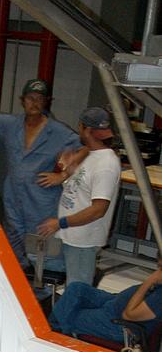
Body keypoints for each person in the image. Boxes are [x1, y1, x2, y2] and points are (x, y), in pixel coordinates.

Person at [0, 79, 79, 267]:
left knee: (42, 254)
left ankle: (43, 283)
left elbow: (85, 149)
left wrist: (62, 176)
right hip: (13, 199)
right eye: (30, 98)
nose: (34, 103)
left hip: (41, 203)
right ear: (22, 100)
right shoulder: (11, 124)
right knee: (13, 250)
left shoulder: (58, 131)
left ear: (46, 102)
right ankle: (17, 280)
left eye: (39, 99)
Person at [37, 108, 122, 285]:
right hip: (72, 235)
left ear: (86, 129)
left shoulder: (106, 165)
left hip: (84, 240)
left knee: (77, 288)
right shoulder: (91, 153)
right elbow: (81, 179)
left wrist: (60, 223)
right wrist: (65, 172)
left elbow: (98, 210)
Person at [50, 262, 162, 344]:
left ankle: (52, 335)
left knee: (68, 315)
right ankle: (54, 328)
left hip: (117, 324)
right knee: (76, 288)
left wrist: (149, 281)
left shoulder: (159, 299)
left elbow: (128, 315)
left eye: (160, 268)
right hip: (113, 302)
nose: (157, 271)